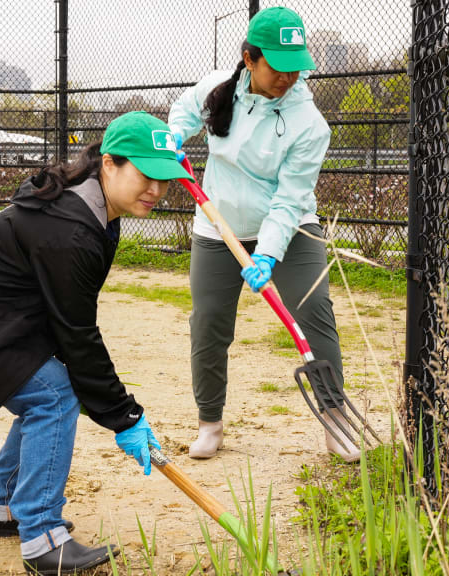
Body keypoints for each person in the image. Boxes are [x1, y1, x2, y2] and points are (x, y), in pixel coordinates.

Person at [0, 112, 194, 575]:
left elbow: (68, 326)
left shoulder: (95, 212)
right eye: (147, 175)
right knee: (54, 394)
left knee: (54, 387)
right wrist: (124, 415)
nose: (158, 191)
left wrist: (111, 406)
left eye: (166, 180)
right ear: (110, 164)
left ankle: (4, 504)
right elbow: (78, 333)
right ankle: (43, 538)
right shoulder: (72, 227)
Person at [168, 6, 360, 463]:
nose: (289, 77)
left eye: (297, 67)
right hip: (220, 226)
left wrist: (269, 254)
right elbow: (184, 109)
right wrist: (174, 137)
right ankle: (209, 423)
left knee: (314, 309)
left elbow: (291, 199)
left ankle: (335, 419)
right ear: (249, 58)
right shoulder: (219, 87)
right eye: (279, 65)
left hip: (290, 228)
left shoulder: (309, 123)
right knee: (209, 322)